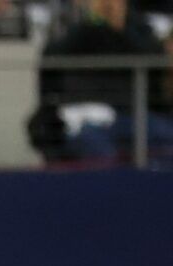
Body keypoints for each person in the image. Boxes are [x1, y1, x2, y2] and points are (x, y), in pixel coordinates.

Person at [32, 0, 173, 163]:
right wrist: (95, 23)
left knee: (166, 140)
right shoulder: (76, 28)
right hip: (89, 118)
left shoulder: (140, 30)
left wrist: (118, 26)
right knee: (97, 148)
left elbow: (152, 59)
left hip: (133, 114)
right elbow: (53, 56)